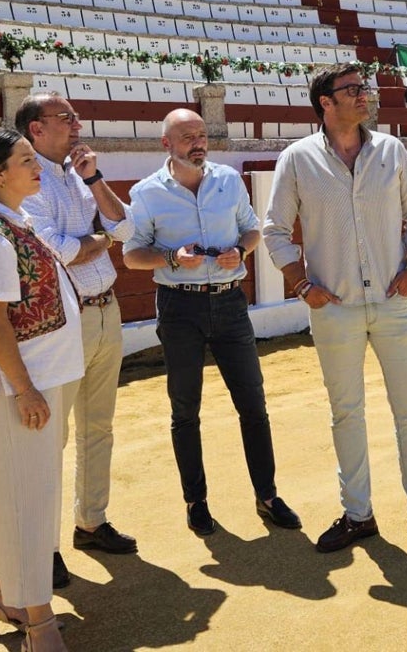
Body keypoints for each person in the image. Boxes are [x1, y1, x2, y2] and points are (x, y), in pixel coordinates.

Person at [261, 64, 407, 558]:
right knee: (346, 413)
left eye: (364, 88)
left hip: (396, 301)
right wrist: (301, 284)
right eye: (352, 90)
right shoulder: (297, 159)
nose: (364, 95)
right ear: (325, 103)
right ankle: (358, 514)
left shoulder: (391, 149)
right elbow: (274, 231)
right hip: (335, 307)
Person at [123, 108, 301, 536]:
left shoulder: (227, 180)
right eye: (187, 137)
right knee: (185, 409)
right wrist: (169, 258)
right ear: (166, 144)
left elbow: (252, 230)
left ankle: (268, 495)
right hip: (179, 307)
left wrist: (240, 252)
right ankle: (196, 502)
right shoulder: (146, 193)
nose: (197, 143)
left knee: (253, 405)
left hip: (229, 303)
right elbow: (132, 255)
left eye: (201, 135)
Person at [0, 128, 80, 651]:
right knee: (27, 502)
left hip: (24, 382)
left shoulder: (7, 223)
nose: (38, 168)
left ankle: (7, 598)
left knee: (17, 499)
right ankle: (37, 620)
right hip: (12, 389)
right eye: (26, 160)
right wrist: (26, 391)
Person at [15, 93, 137, 589]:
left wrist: (94, 180)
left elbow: (126, 226)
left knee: (98, 426)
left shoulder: (75, 174)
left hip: (105, 309)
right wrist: (101, 241)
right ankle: (42, 547)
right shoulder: (27, 180)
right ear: (35, 129)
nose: (76, 123)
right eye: (65, 117)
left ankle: (91, 521)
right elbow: (59, 252)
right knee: (53, 438)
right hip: (62, 321)